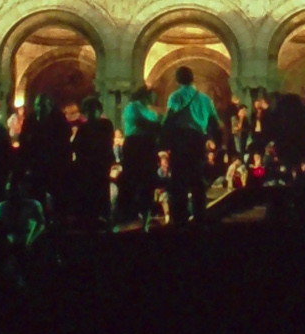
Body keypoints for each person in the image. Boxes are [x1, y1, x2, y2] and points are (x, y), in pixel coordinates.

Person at [160, 67, 221, 229]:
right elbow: (214, 123)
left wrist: (163, 141)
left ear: (178, 80)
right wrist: (218, 144)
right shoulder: (205, 99)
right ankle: (200, 218)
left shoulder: (176, 96)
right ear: (192, 78)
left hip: (181, 141)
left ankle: (179, 220)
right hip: (198, 141)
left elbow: (170, 118)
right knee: (197, 181)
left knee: (178, 180)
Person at [116, 85, 160, 227]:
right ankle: (127, 214)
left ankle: (145, 213)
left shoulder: (149, 111)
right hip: (136, 145)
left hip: (147, 147)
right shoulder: (133, 107)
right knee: (132, 177)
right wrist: (155, 125)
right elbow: (147, 124)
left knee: (147, 180)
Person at [72, 94, 115, 231]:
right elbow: (77, 146)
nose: (90, 113)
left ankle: (104, 217)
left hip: (100, 164)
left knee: (101, 191)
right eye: (87, 110)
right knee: (90, 193)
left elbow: (106, 143)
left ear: (98, 110)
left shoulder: (106, 125)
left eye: (92, 109)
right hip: (88, 166)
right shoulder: (83, 128)